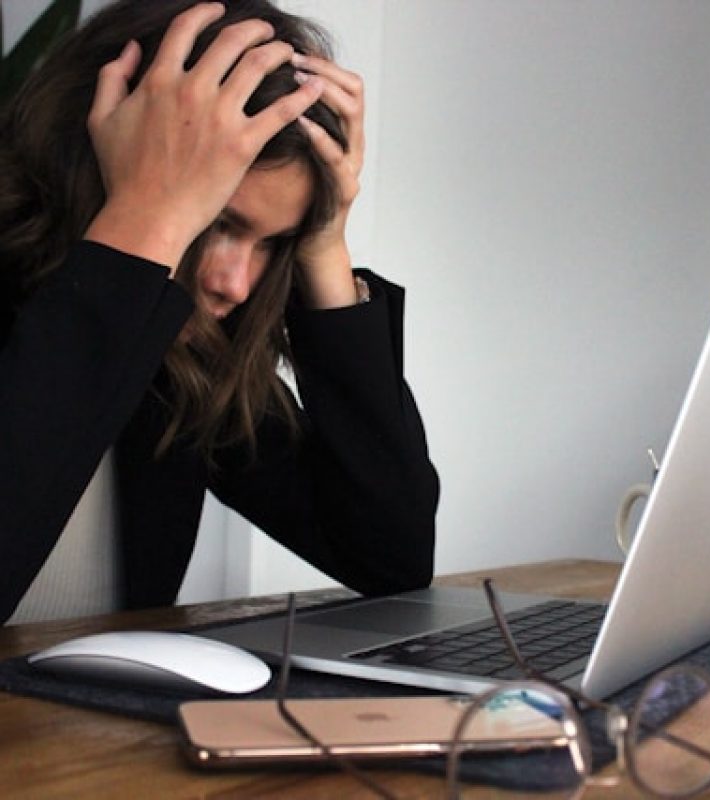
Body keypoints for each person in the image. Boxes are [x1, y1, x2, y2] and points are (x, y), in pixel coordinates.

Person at [0, 0, 439, 624]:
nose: (235, 283)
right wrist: (147, 219)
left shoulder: (186, 354)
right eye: (218, 220)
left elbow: (389, 558)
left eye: (273, 243)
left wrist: (323, 244)